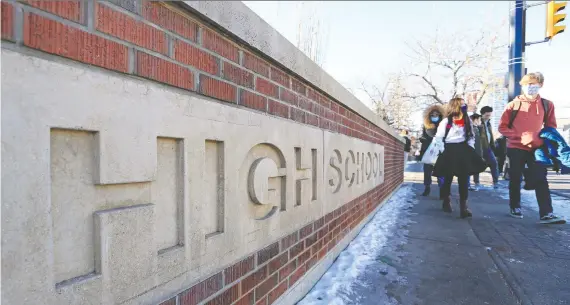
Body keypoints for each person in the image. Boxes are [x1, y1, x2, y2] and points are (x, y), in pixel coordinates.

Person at [498, 72, 565, 224]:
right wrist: (519, 136)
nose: (530, 87)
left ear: (540, 85)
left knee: (541, 178)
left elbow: (551, 127)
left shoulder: (547, 105)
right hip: (515, 147)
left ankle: (546, 213)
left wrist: (542, 138)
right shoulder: (513, 105)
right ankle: (515, 206)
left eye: (534, 84)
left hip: (537, 148)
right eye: (527, 84)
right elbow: (502, 127)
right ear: (522, 85)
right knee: (515, 178)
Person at [433, 98, 486, 218]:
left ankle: (464, 207)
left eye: (464, 104)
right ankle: (446, 200)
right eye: (461, 104)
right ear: (455, 106)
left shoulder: (467, 121)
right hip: (449, 150)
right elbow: (438, 137)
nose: (464, 106)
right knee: (448, 178)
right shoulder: (446, 121)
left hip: (463, 150)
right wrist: (443, 150)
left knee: (464, 179)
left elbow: (471, 136)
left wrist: (470, 148)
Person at [419, 104, 445, 197]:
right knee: (427, 171)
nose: (434, 116)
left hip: (439, 150)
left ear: (440, 115)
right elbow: (423, 136)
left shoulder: (443, 125)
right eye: (432, 115)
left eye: (436, 114)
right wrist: (423, 139)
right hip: (428, 150)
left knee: (441, 170)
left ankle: (442, 189)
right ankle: (427, 187)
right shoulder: (426, 125)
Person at [480, 106, 500, 189]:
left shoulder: (488, 123)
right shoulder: (478, 122)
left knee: (494, 163)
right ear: (482, 114)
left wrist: (493, 146)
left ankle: (496, 182)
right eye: (487, 115)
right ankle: (476, 182)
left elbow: (490, 135)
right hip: (480, 148)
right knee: (476, 164)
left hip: (488, 147)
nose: (488, 117)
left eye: (489, 115)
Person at [468, 113, 484, 191]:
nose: (480, 121)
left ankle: (472, 183)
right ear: (475, 120)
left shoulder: (477, 128)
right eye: (479, 119)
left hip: (476, 152)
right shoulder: (472, 129)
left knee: (473, 168)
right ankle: (472, 184)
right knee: (470, 168)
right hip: (473, 152)